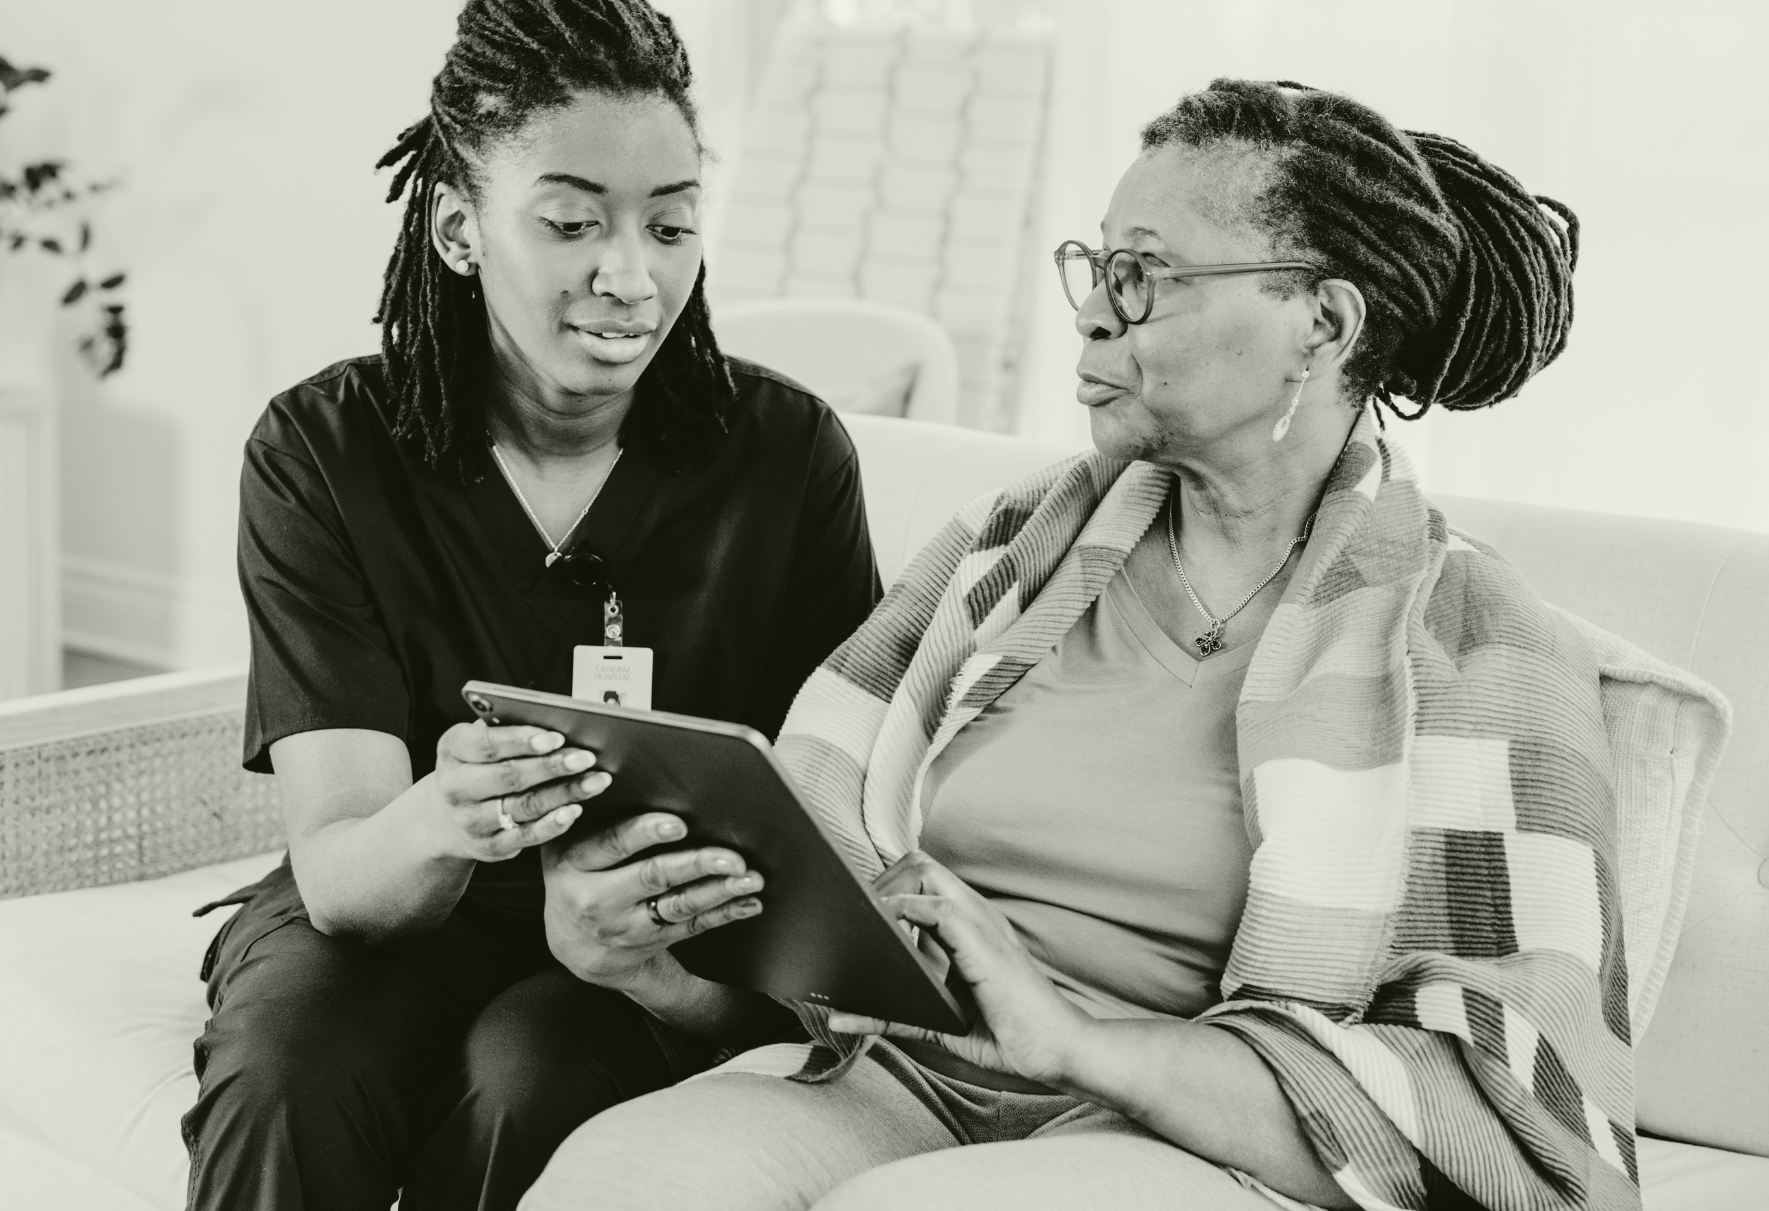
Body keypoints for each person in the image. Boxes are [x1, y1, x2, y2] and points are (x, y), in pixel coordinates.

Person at [526, 78, 1645, 1211]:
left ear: (1324, 323)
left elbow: (1500, 1121)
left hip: (1196, 1141)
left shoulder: (1473, 644)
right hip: (906, 1074)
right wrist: (651, 966)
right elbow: (826, 962)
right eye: (1096, 267)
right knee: (614, 1181)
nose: (1094, 314)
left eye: (1143, 276)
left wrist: (1076, 1038)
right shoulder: (1010, 551)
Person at [182, 0, 881, 1211]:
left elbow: (833, 832)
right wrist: (453, 811)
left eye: (669, 225)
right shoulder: (324, 451)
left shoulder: (786, 457)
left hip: (640, 941)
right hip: (398, 895)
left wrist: (664, 958)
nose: (631, 276)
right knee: (284, 1074)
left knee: (531, 1084)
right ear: (458, 228)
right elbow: (345, 877)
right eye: (570, 223)